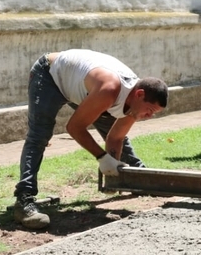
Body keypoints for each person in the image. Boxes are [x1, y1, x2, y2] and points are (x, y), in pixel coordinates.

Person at [15, 49, 168, 229]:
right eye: (149, 110)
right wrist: (103, 158)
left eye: (153, 114)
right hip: (50, 75)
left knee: (117, 134)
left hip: (81, 86)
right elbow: (74, 128)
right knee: (39, 135)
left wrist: (113, 169)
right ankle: (24, 201)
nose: (148, 116)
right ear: (140, 94)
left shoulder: (134, 102)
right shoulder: (109, 90)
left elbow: (116, 137)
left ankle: (139, 178)